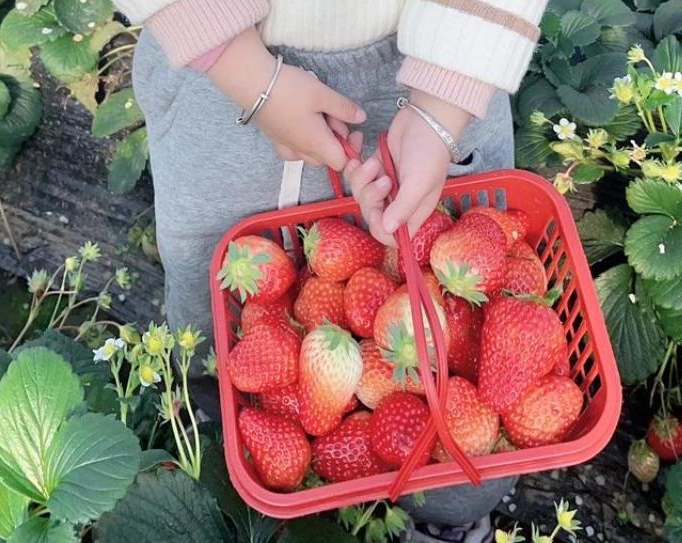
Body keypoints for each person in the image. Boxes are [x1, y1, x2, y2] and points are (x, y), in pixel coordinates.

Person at [111, 1, 549, 541]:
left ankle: (446, 510)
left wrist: (442, 107)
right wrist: (247, 74)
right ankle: (222, 430)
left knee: (463, 449)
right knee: (218, 332)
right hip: (222, 66)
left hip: (438, 75)